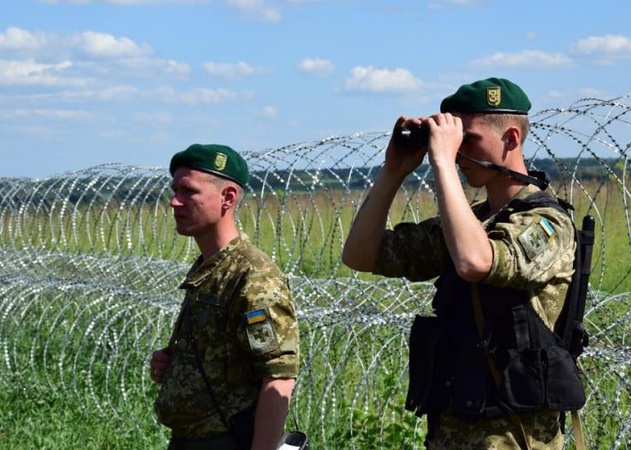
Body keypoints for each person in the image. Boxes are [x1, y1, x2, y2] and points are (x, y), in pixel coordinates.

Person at [342, 78, 581, 449]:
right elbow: (360, 255)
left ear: (511, 138)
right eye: (453, 142)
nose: (456, 153)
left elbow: (475, 261)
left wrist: (441, 163)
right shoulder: (471, 223)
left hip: (513, 436)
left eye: (467, 140)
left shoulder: (548, 223)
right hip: (452, 429)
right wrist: (393, 171)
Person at [150, 143, 300, 450]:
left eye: (188, 191)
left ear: (227, 198)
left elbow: (278, 377)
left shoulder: (253, 277)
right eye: (174, 190)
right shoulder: (211, 268)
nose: (174, 202)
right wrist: (175, 365)